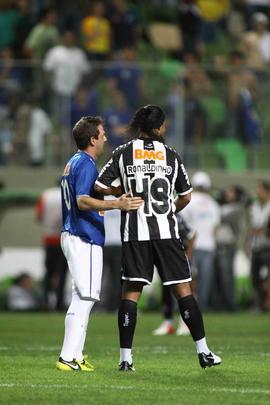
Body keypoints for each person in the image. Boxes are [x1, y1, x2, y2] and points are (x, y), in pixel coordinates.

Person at [95, 105, 222, 371]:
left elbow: (98, 185)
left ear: (139, 126)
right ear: (160, 127)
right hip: (166, 233)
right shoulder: (172, 156)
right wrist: (168, 211)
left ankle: (125, 359)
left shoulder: (123, 152)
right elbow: (186, 196)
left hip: (135, 233)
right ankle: (204, 352)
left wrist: (120, 192)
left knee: (130, 294)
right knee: (183, 291)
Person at [56, 115, 142, 372]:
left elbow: (87, 194)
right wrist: (118, 204)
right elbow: (83, 200)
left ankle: (76, 355)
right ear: (92, 139)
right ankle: (67, 357)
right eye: (102, 134)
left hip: (74, 234)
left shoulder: (74, 162)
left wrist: (113, 192)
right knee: (86, 297)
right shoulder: (86, 164)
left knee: (81, 296)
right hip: (84, 236)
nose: (105, 137)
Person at [182, 171, 220, 311]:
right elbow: (216, 228)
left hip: (192, 245)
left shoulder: (189, 199)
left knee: (186, 279)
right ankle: (201, 307)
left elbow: (181, 223)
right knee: (205, 280)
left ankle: (185, 307)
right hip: (209, 246)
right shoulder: (213, 203)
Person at [152, 214, 196, 336]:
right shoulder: (153, 214)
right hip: (164, 258)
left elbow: (192, 234)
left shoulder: (174, 215)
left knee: (183, 290)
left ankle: (185, 322)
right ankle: (168, 322)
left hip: (178, 257)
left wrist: (188, 256)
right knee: (166, 289)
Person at [36, 181, 68, 310]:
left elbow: (38, 216)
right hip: (64, 238)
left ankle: (45, 300)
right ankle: (59, 303)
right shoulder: (68, 193)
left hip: (49, 238)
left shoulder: (46, 195)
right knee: (62, 273)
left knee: (48, 272)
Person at [247, 180, 270, 310]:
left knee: (268, 278)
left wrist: (265, 231)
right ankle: (258, 305)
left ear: (267, 191)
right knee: (255, 277)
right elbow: (251, 227)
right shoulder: (254, 206)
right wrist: (247, 243)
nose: (257, 193)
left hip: (268, 246)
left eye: (260, 190)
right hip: (256, 246)